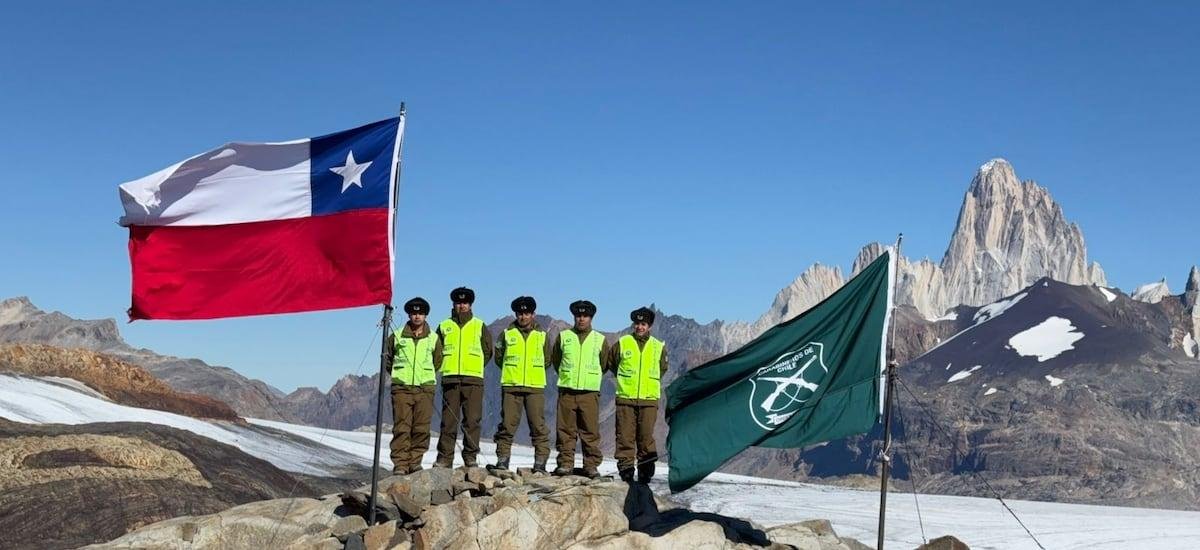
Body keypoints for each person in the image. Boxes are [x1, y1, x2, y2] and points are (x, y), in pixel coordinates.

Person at [604, 306, 668, 483]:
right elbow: (613, 364)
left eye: (643, 324)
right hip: (626, 398)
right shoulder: (623, 343)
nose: (640, 327)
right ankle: (626, 470)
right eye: (637, 323)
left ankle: (646, 471)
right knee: (624, 436)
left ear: (649, 326)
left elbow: (662, 368)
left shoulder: (658, 347)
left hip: (648, 400)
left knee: (646, 437)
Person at [434, 286, 493, 468]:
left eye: (465, 302)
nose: (462, 305)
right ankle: (445, 458)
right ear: (453, 304)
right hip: (451, 379)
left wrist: (473, 366)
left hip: (473, 380)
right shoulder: (444, 326)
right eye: (459, 302)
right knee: (448, 422)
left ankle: (470, 457)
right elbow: (436, 352)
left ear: (471, 304)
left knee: (472, 421)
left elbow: (488, 351)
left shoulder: (479, 325)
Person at [491, 296, 551, 472]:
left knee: (538, 426)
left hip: (535, 387)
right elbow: (499, 358)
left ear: (533, 314)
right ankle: (502, 460)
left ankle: (540, 463)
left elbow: (547, 360)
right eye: (520, 313)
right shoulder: (507, 334)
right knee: (507, 425)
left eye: (526, 313)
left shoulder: (542, 336)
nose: (523, 316)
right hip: (511, 386)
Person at [548, 299, 608, 478]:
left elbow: (604, 364)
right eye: (578, 315)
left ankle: (591, 465)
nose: (581, 319)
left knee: (590, 431)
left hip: (589, 393)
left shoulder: (600, 340)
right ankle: (566, 464)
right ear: (574, 316)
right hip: (567, 390)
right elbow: (556, 361)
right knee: (565, 430)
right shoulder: (564, 337)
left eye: (585, 316)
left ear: (591, 318)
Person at [386, 297, 442, 474]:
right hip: (402, 389)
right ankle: (401, 464)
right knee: (401, 427)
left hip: (424, 389)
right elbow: (388, 361)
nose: (417, 316)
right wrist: (399, 376)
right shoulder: (396, 336)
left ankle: (415, 462)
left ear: (425, 315)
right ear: (409, 315)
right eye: (414, 313)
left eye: (420, 313)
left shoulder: (434, 338)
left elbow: (438, 362)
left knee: (421, 428)